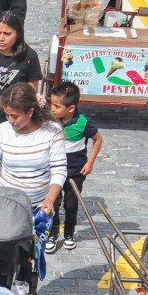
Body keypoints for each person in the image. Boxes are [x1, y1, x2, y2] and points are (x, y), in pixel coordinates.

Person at [0, 82, 67, 216]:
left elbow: (59, 170)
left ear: (30, 112)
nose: (10, 120)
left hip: (38, 207)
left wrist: (50, 199)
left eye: (15, 116)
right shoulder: (1, 130)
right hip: (5, 203)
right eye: (7, 115)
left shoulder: (52, 131)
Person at [47, 81, 102, 253]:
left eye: (56, 106)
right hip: (53, 172)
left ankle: (69, 233)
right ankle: (52, 233)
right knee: (52, 204)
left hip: (75, 173)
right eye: (51, 104)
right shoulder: (48, 119)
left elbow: (98, 139)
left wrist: (90, 162)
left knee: (71, 206)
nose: (52, 109)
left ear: (71, 108)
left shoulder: (84, 123)